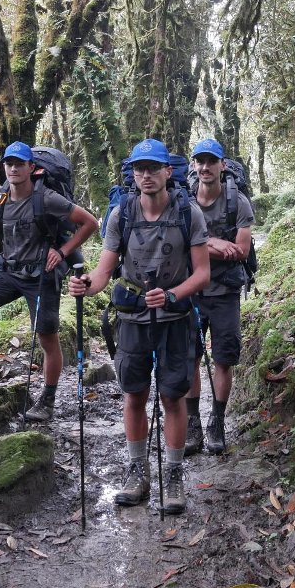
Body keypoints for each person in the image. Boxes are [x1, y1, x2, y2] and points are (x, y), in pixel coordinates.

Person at [68, 139, 210, 514]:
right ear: (132, 173)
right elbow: (103, 270)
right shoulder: (122, 214)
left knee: (172, 396)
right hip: (132, 318)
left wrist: (173, 295)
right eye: (139, 168)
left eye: (153, 168)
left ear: (167, 172)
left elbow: (202, 274)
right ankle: (138, 469)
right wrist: (86, 286)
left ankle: (174, 473)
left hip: (174, 319)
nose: (146, 175)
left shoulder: (188, 213)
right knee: (134, 394)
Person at [0, 142, 99, 418]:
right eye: (9, 164)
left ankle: (47, 400)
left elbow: (90, 222)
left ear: (31, 167)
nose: (13, 169)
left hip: (42, 275)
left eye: (19, 164)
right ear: (4, 167)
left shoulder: (47, 198)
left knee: (46, 338)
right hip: (9, 272)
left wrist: (62, 252)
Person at [184, 138, 254, 455]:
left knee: (224, 358)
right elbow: (181, 242)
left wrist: (201, 246)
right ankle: (193, 425)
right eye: (200, 161)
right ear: (193, 165)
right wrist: (212, 243)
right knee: (190, 359)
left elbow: (240, 250)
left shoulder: (237, 202)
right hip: (192, 291)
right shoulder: (184, 201)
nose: (205, 167)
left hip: (225, 291)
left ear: (222, 165)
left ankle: (217, 421)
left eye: (211, 161)